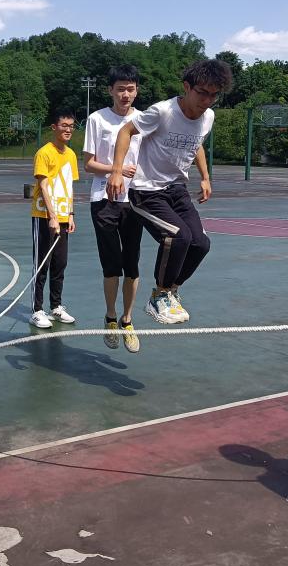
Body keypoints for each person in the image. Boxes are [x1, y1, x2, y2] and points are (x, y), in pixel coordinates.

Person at [106, 59, 233, 324]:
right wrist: (117, 171)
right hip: (146, 191)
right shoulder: (163, 111)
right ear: (187, 87)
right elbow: (126, 131)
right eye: (202, 93)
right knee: (178, 236)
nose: (207, 101)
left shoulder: (208, 117)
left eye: (214, 95)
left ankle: (171, 291)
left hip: (176, 189)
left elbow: (196, 143)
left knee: (201, 244)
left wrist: (205, 177)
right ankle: (159, 295)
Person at [83, 65, 144, 352]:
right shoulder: (97, 119)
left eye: (130, 89)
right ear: (110, 90)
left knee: (132, 264)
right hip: (104, 200)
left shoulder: (144, 120)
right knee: (111, 265)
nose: (125, 94)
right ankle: (110, 317)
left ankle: (127, 320)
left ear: (137, 91)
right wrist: (116, 170)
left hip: (135, 201)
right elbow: (88, 164)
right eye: (120, 89)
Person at [29, 110, 78, 329]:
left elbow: (69, 186)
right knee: (42, 264)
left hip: (64, 217)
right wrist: (52, 216)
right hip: (44, 216)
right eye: (64, 125)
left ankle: (56, 306)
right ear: (54, 127)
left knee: (60, 263)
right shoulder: (44, 153)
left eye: (71, 126)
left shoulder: (71, 155)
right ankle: (37, 310)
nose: (68, 129)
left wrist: (70, 214)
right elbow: (43, 185)